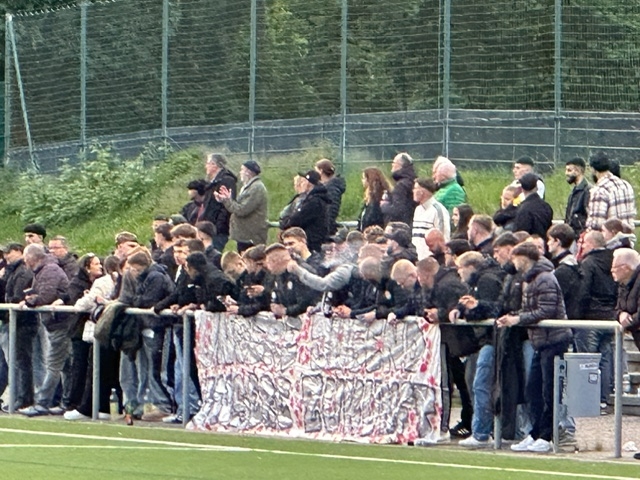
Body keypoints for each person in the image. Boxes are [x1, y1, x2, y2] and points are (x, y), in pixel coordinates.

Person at [498, 243, 572, 453]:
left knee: (548, 390)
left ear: (524, 257)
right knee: (533, 390)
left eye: (515, 257)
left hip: (553, 340)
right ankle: (536, 432)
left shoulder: (545, 278)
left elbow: (546, 310)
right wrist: (514, 316)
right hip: (541, 341)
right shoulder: (531, 279)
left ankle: (546, 435)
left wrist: (518, 319)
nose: (513, 262)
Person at [18, 244, 70, 417]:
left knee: (53, 364)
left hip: (60, 323)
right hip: (56, 323)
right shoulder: (43, 270)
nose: (25, 261)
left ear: (32, 257)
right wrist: (31, 297)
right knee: (66, 365)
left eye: (26, 257)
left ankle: (42, 403)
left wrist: (30, 301)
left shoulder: (50, 270)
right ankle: (67, 402)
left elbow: (46, 296)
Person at [577, 231, 617, 406]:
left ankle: (588, 399)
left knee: (588, 359)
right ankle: (604, 397)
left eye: (585, 243)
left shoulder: (589, 263)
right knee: (605, 357)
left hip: (591, 316)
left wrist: (578, 315)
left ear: (592, 244)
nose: (582, 246)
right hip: (610, 316)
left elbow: (583, 291)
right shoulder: (614, 261)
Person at [1, 243, 36, 411]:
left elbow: (16, 295)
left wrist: (10, 312)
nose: (6, 256)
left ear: (19, 252)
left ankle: (24, 398)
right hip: (13, 321)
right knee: (13, 361)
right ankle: (19, 398)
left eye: (9, 252)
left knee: (21, 362)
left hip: (21, 322)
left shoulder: (22, 271)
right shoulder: (11, 270)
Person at [215, 160, 268, 252]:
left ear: (248, 172)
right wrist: (226, 199)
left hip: (251, 237)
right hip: (245, 236)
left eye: (242, 169)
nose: (240, 172)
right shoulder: (249, 187)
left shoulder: (256, 188)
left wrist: (227, 201)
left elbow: (241, 210)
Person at [279, 170, 331, 253]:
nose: (301, 184)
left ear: (309, 183)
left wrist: (286, 223)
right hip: (311, 241)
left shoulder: (315, 201)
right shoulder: (311, 198)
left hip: (311, 243)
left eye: (304, 181)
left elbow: (297, 219)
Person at [264, 244, 319, 317]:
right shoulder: (279, 275)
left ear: (278, 261)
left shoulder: (300, 272)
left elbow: (306, 302)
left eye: (268, 262)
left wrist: (286, 311)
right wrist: (275, 306)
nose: (267, 266)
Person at [586, 151, 636, 231]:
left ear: (593, 169)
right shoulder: (626, 185)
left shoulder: (599, 190)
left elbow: (596, 224)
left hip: (611, 237)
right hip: (628, 236)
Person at [201, 152, 238, 251]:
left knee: (213, 253)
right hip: (210, 227)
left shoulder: (226, 181)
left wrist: (218, 226)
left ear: (214, 165)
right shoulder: (214, 182)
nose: (206, 166)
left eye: (207, 163)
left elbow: (226, 206)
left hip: (219, 229)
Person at [411, 178, 450, 260]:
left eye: (415, 188)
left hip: (432, 259)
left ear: (422, 191)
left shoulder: (438, 210)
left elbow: (444, 237)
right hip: (418, 258)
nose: (413, 191)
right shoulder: (418, 210)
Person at [381, 152, 417, 226]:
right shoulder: (413, 182)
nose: (392, 165)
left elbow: (398, 210)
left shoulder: (401, 186)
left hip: (400, 225)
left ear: (400, 165)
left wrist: (384, 206)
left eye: (394, 162)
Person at [514, 173, 553, 239]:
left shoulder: (523, 209)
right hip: (544, 242)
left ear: (522, 189)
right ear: (536, 188)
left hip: (529, 243)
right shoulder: (546, 206)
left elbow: (521, 233)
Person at [316, 158, 346, 235]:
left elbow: (332, 210)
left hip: (327, 228)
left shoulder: (332, 189)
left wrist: (326, 228)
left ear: (321, 171)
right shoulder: (328, 187)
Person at [564, 157, 591, 236]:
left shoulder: (588, 191)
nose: (566, 173)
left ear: (578, 171)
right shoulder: (574, 191)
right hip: (572, 235)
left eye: (569, 170)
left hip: (581, 235)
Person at [357, 167, 390, 231]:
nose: (362, 180)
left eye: (363, 178)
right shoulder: (368, 202)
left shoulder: (378, 201)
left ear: (369, 180)